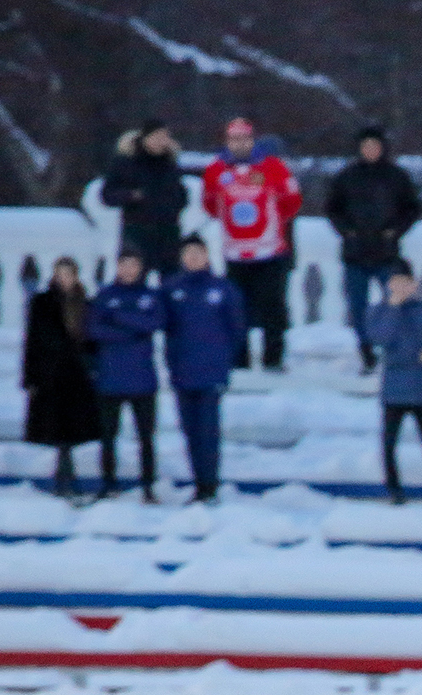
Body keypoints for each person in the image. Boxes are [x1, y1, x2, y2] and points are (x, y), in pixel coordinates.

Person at [201, 118, 301, 372]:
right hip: (235, 252)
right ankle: (239, 359)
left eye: (244, 139)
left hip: (270, 251)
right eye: (233, 139)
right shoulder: (215, 170)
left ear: (252, 140)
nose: (239, 144)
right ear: (227, 141)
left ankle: (273, 358)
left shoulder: (273, 166)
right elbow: (210, 205)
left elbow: (292, 202)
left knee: (273, 307)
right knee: (236, 307)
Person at [327, 125, 422, 372]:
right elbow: (332, 208)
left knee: (395, 302)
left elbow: (413, 208)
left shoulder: (396, 176)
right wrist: (346, 230)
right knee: (358, 306)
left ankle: (396, 346)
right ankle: (366, 350)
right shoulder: (346, 176)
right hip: (355, 253)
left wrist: (396, 231)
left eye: (375, 146)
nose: (371, 151)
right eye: (366, 146)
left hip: (386, 252)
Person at [163, 235, 244, 504]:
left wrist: (223, 362)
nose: (193, 258)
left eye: (198, 253)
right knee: (190, 432)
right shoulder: (172, 289)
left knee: (209, 430)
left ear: (208, 256)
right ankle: (198, 482)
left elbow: (236, 330)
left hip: (211, 373)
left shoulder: (222, 289)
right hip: (183, 372)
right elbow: (166, 329)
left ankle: (210, 485)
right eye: (188, 253)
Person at [365, 260, 422, 505]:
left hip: (421, 382)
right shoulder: (379, 310)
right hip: (395, 383)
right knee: (390, 441)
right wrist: (393, 309)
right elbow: (380, 338)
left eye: (407, 283)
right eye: (397, 283)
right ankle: (393, 487)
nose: (402, 288)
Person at [86, 246, 168, 501]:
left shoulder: (151, 296)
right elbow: (93, 330)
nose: (129, 270)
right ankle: (108, 482)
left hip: (143, 379)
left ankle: (148, 486)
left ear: (141, 268)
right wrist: (132, 330)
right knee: (108, 436)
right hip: (110, 379)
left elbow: (154, 323)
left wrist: (119, 317)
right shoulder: (105, 295)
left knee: (146, 437)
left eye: (134, 265)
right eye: (125, 264)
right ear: (117, 266)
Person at [21, 258, 102, 497]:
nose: (65, 278)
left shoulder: (84, 303)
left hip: (77, 376)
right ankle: (62, 476)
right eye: (60, 273)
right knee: (57, 429)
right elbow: (32, 341)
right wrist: (30, 376)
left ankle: (67, 475)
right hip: (51, 375)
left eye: (69, 274)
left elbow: (91, 341)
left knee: (73, 429)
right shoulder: (42, 303)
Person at [99, 120, 188, 283]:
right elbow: (107, 195)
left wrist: (174, 203)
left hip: (167, 233)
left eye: (164, 137)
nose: (160, 142)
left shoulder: (170, 163)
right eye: (155, 137)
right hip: (137, 232)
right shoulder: (126, 162)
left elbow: (181, 194)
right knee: (132, 280)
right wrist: (132, 196)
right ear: (145, 138)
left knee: (172, 282)